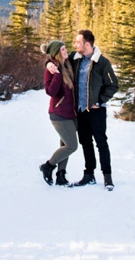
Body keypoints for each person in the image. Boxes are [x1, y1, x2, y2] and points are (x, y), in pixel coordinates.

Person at [48, 29, 118, 190]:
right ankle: (89, 175)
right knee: (86, 142)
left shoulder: (102, 62)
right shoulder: (75, 58)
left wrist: (100, 101)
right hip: (80, 110)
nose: (75, 44)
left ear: (87, 44)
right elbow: (57, 57)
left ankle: (107, 177)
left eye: (78, 42)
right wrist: (48, 63)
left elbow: (113, 85)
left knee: (101, 143)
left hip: (96, 111)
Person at [38, 40, 78, 186]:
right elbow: (51, 91)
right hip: (59, 113)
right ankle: (48, 166)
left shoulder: (67, 64)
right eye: (62, 49)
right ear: (56, 53)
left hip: (71, 112)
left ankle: (61, 175)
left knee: (64, 144)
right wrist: (56, 74)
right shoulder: (52, 70)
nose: (66, 50)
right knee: (71, 146)